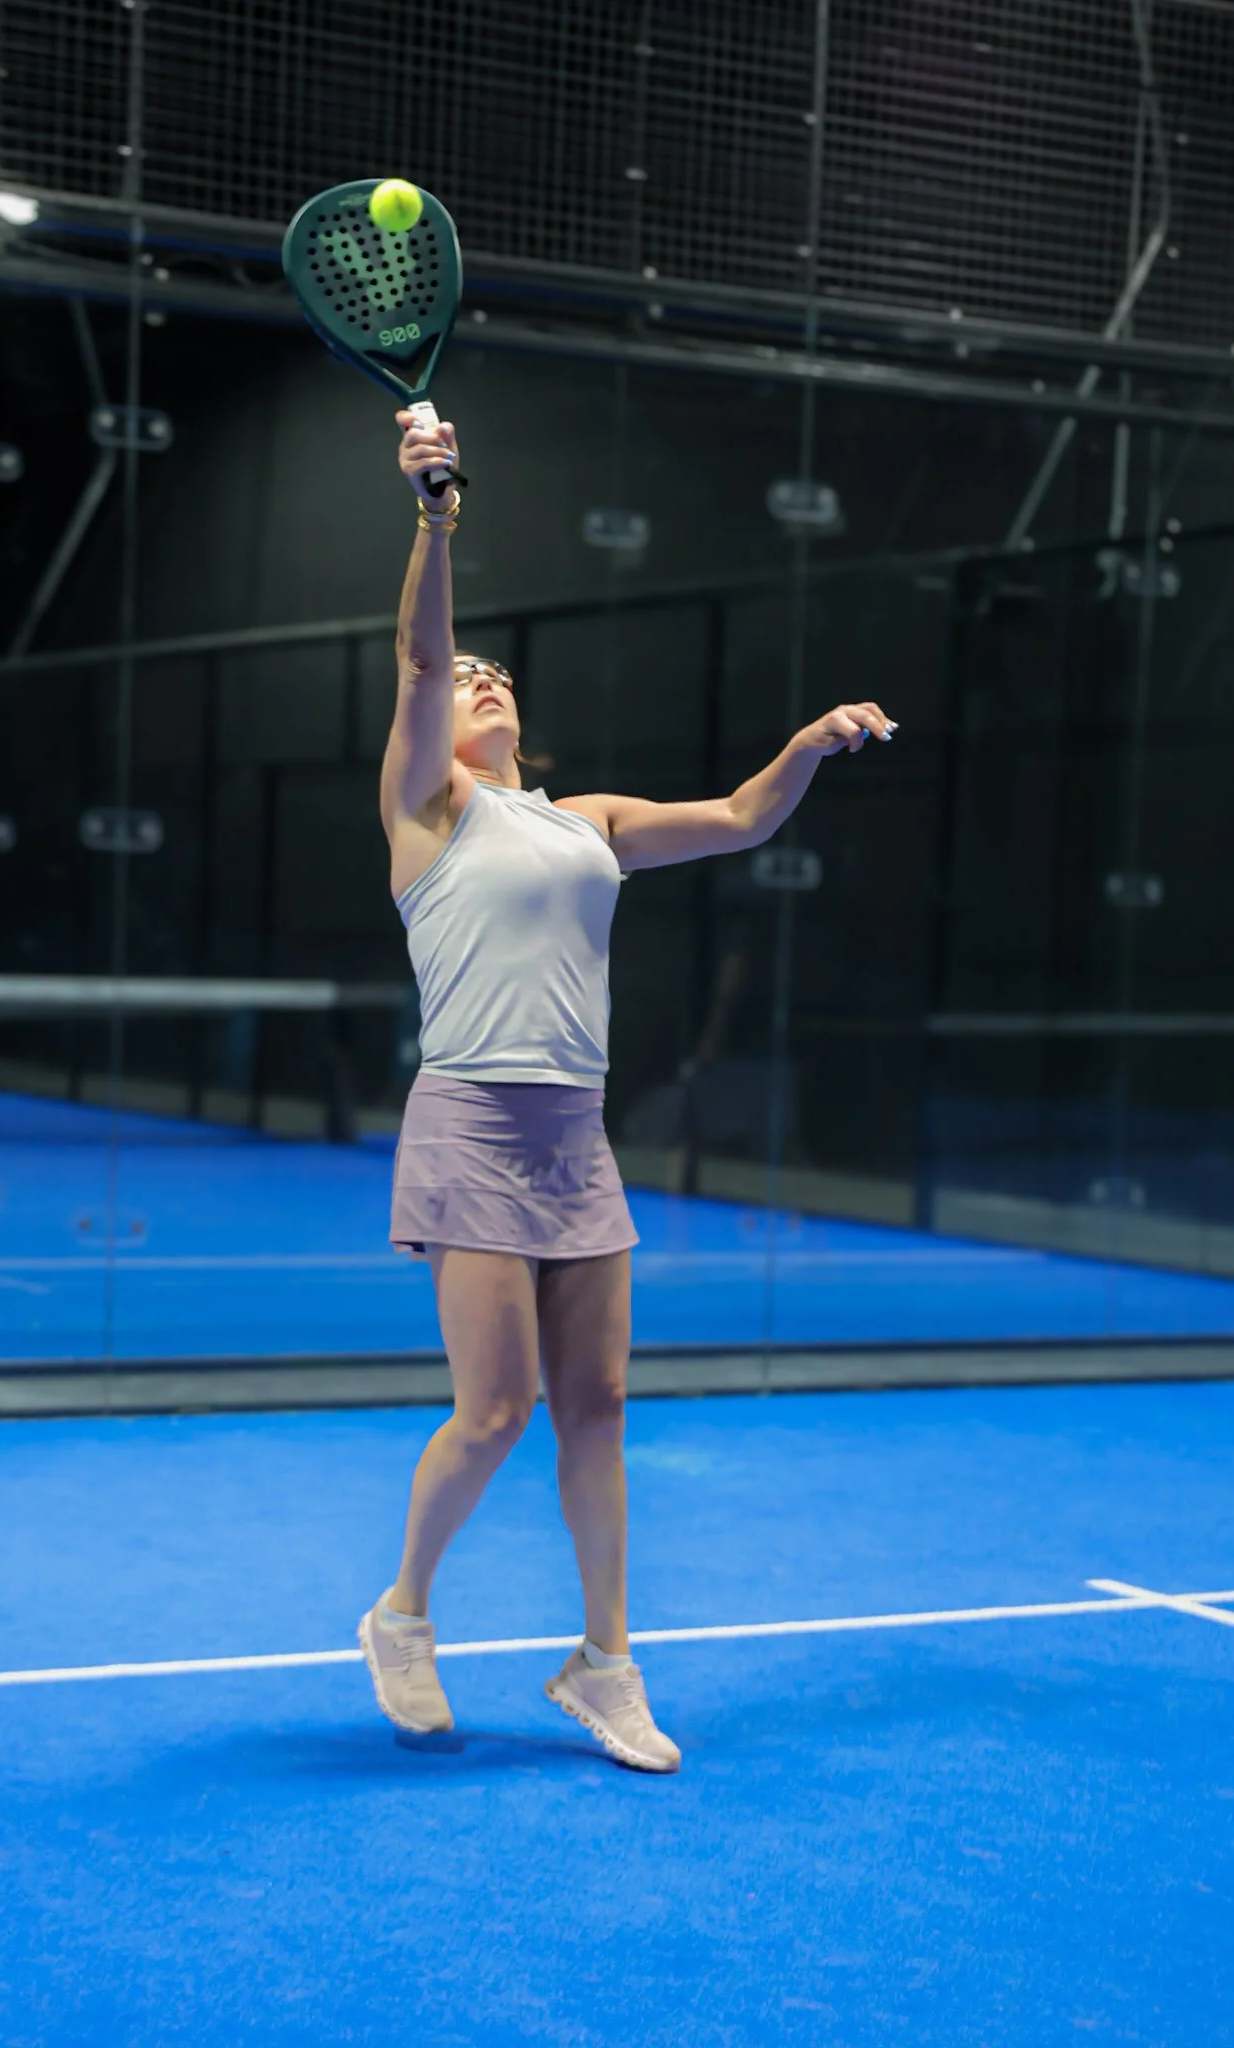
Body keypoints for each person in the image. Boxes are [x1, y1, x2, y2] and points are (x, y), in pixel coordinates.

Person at [358, 407, 896, 1773]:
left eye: (497, 676)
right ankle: (403, 1615)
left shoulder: (584, 820)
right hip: (474, 1120)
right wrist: (436, 512)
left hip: (574, 1137)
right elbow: (419, 654)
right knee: (496, 1411)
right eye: (464, 678)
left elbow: (738, 820)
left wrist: (808, 743)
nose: (480, 680)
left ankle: (605, 1665)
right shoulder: (426, 809)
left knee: (595, 1408)